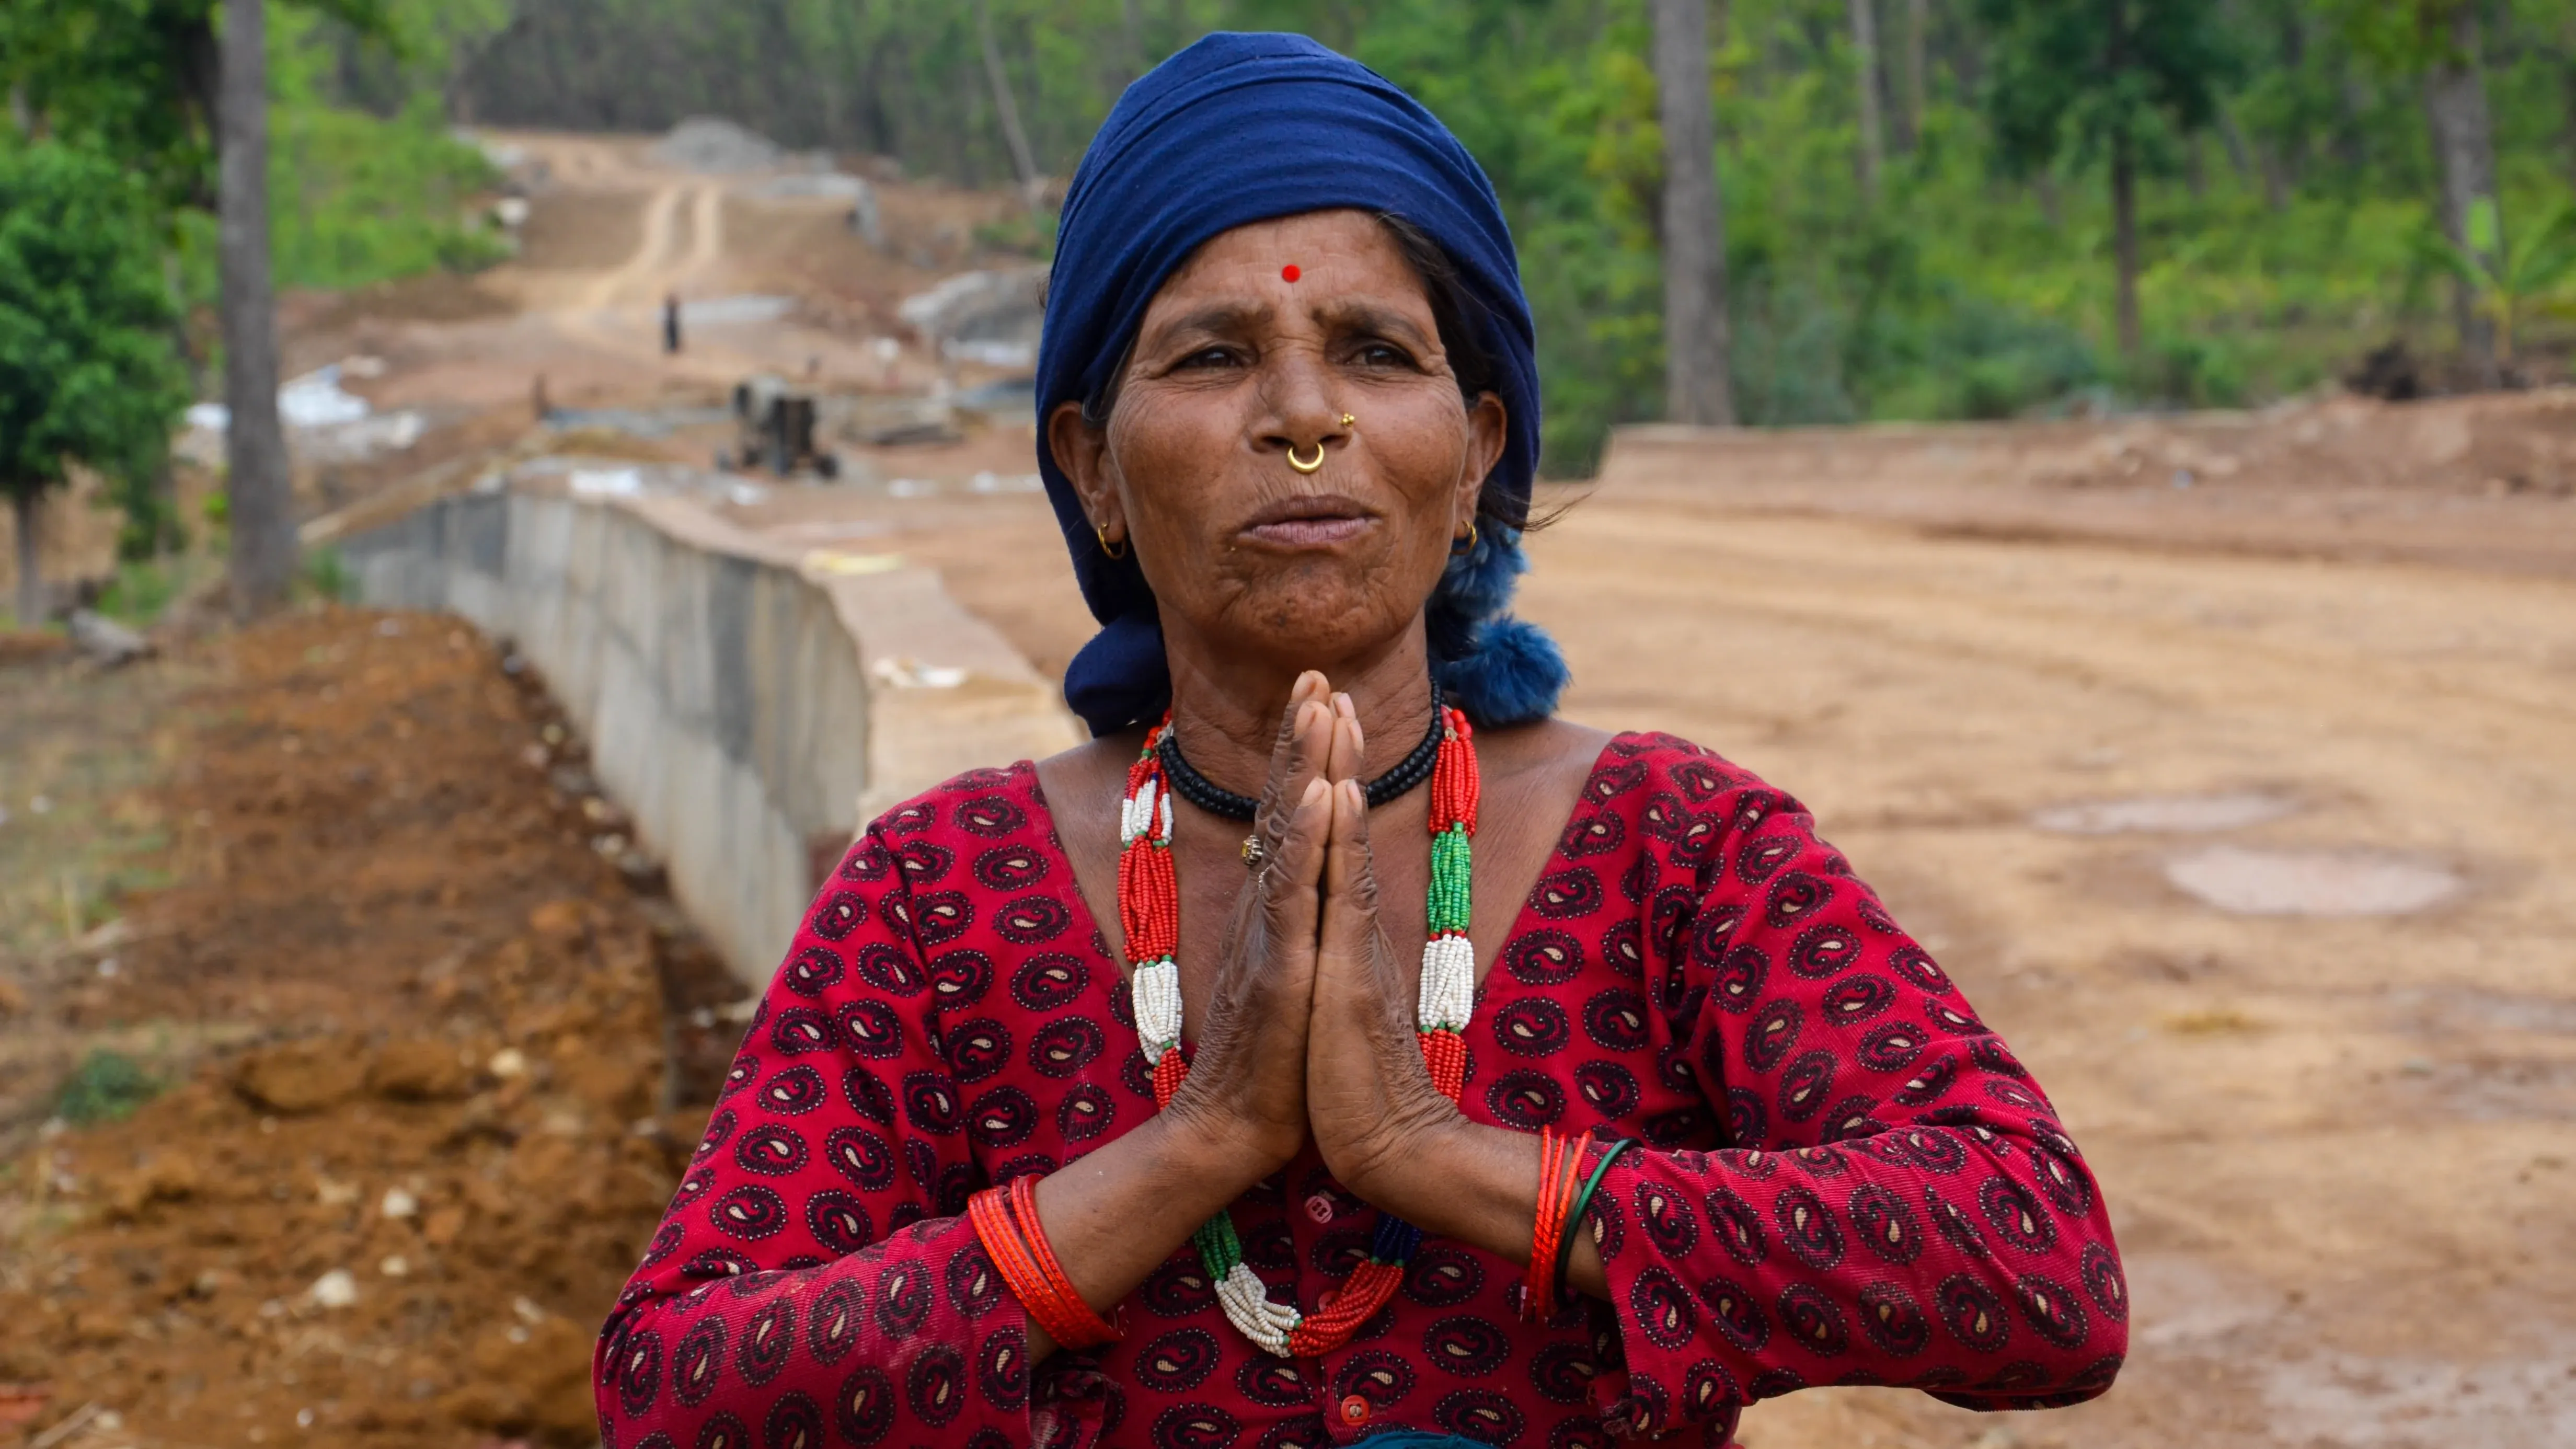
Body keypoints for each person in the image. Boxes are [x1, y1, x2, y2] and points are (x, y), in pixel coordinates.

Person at [595, 33, 2123, 1449]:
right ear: (1092, 469)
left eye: (1378, 352)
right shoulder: (943, 890)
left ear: (1477, 456)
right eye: (1211, 356)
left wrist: (1429, 1150)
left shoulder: (1670, 843)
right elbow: (675, 1386)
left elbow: (2037, 1261)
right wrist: (1197, 1145)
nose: (1305, 415)